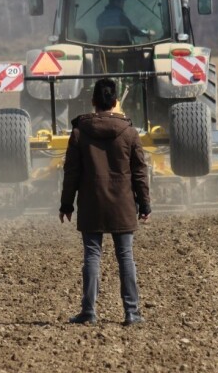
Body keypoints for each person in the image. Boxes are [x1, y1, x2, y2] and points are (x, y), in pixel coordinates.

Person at [59, 78, 151, 326]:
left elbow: (71, 173)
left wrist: (66, 204)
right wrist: (145, 204)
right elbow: (140, 172)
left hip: (92, 203)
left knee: (92, 256)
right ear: (115, 101)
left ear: (93, 101)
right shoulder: (129, 132)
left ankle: (88, 311)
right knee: (125, 256)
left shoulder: (79, 132)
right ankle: (131, 313)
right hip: (123, 204)